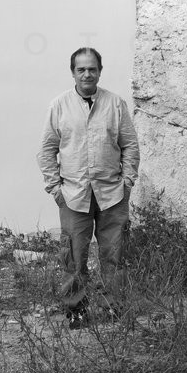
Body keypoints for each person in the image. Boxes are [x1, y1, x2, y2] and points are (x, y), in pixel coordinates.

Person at [36, 47, 140, 329]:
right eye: (81, 69)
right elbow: (46, 150)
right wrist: (55, 189)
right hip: (73, 195)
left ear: (100, 71)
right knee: (74, 256)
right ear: (73, 72)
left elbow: (130, 145)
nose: (87, 74)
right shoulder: (59, 106)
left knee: (114, 255)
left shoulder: (115, 104)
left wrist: (127, 182)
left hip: (112, 194)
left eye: (92, 69)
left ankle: (114, 307)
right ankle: (76, 311)